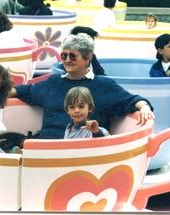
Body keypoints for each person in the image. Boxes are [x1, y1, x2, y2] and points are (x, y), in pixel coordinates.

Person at [10, 33, 155, 139]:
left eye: (73, 56)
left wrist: (144, 107)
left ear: (88, 58)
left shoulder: (103, 85)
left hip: (84, 153)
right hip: (45, 150)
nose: (67, 60)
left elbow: (132, 100)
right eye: (64, 56)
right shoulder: (53, 83)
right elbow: (24, 91)